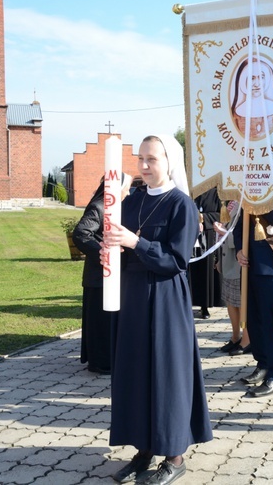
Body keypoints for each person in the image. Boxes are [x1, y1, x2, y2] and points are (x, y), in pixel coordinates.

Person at [102, 135, 212, 485]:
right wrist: (112, 245)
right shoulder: (131, 201)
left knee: (167, 374)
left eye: (152, 159)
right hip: (134, 297)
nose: (145, 166)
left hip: (166, 298)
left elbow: (177, 260)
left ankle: (175, 455)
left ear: (169, 161)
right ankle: (144, 449)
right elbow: (118, 243)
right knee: (137, 371)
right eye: (141, 159)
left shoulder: (182, 204)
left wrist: (136, 242)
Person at [234, 201, 273, 397]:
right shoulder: (250, 191)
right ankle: (262, 363)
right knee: (254, 321)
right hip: (250, 263)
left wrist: (260, 196)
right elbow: (239, 223)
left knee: (271, 322)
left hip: (272, 265)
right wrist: (239, 249)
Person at [72, 173, 132, 374]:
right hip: (98, 276)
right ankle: (99, 362)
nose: (128, 192)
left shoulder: (116, 209)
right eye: (126, 188)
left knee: (109, 320)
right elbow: (81, 233)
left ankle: (109, 358)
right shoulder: (99, 207)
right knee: (99, 321)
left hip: (113, 275)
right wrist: (102, 252)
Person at [212, 200, 251, 355]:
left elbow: (244, 233)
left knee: (240, 302)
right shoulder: (230, 202)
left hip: (238, 260)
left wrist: (223, 233)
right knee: (230, 301)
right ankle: (236, 336)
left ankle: (247, 339)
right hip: (227, 259)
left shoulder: (246, 201)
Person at [190, 187, 223, 319]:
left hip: (209, 236)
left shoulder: (217, 192)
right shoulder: (191, 191)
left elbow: (222, 214)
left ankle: (205, 305)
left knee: (206, 271)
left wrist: (203, 218)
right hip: (193, 234)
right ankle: (192, 302)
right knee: (193, 270)